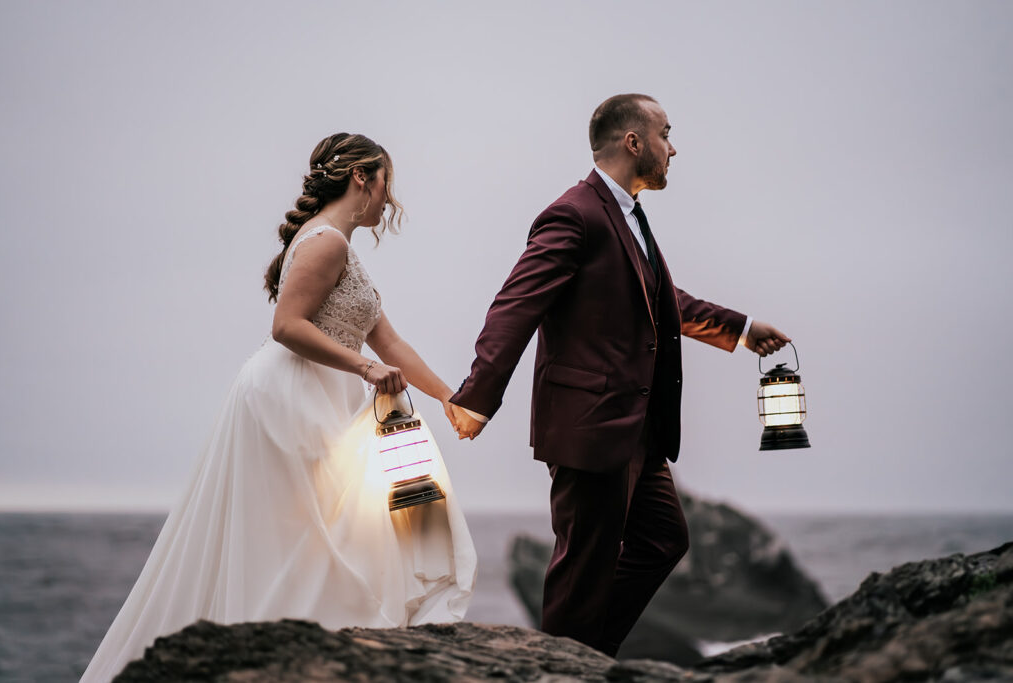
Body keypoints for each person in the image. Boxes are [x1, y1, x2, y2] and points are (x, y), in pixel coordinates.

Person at [81, 133, 476, 682]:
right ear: (362, 177)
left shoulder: (341, 246)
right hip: (289, 399)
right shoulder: (326, 243)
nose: (390, 198)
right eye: (386, 181)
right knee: (306, 539)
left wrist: (450, 398)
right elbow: (286, 326)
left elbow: (390, 344)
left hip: (320, 393)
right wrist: (363, 369)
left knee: (322, 536)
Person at [449, 94, 789, 657]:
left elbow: (663, 298)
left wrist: (742, 328)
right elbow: (514, 305)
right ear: (633, 142)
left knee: (663, 539)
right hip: (589, 425)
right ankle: (565, 662)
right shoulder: (573, 213)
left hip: (637, 430)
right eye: (665, 133)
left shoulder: (631, 214)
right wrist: (479, 396)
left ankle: (588, 652)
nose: (673, 147)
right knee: (583, 566)